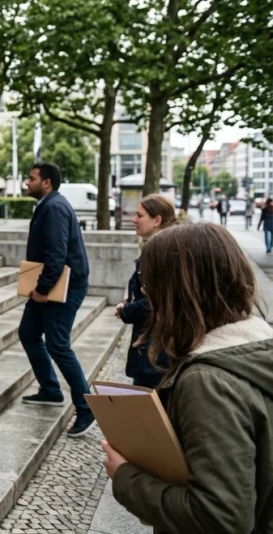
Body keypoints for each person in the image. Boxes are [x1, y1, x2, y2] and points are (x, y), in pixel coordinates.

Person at [103, 222, 273, 534]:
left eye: (151, 283)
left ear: (176, 291)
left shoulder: (207, 382)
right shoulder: (256, 347)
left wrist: (125, 476)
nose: (145, 292)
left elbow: (220, 517)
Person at [20, 162, 95, 437]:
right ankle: (51, 390)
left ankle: (87, 408)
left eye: (31, 178)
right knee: (28, 333)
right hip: (51, 284)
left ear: (46, 182)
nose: (27, 182)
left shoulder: (54, 208)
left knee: (58, 345)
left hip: (64, 287)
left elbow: (56, 253)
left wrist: (42, 288)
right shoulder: (49, 205)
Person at [115, 195, 177, 388]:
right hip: (157, 346)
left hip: (156, 349)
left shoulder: (161, 251)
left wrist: (126, 311)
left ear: (157, 220)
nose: (134, 220)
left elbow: (158, 301)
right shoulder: (164, 246)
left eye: (140, 215)